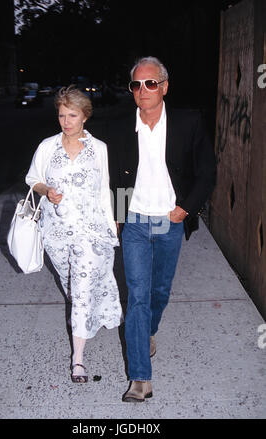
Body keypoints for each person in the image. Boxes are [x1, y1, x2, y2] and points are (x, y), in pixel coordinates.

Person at [107, 57, 216, 402]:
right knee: (137, 296)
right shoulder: (122, 128)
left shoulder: (188, 122)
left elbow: (207, 172)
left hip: (170, 221)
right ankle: (140, 378)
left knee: (160, 291)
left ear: (164, 87)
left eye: (150, 83)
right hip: (136, 222)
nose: (143, 91)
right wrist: (120, 216)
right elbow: (115, 176)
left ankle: (149, 331)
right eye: (136, 85)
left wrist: (186, 208)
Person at [26, 85, 122, 383]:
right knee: (73, 286)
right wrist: (46, 190)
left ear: (85, 117)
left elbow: (107, 190)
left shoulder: (100, 150)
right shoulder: (47, 147)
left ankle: (77, 360)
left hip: (91, 232)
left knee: (80, 291)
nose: (66, 121)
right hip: (55, 233)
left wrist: (114, 224)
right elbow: (33, 179)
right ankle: (92, 315)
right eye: (61, 115)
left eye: (72, 115)